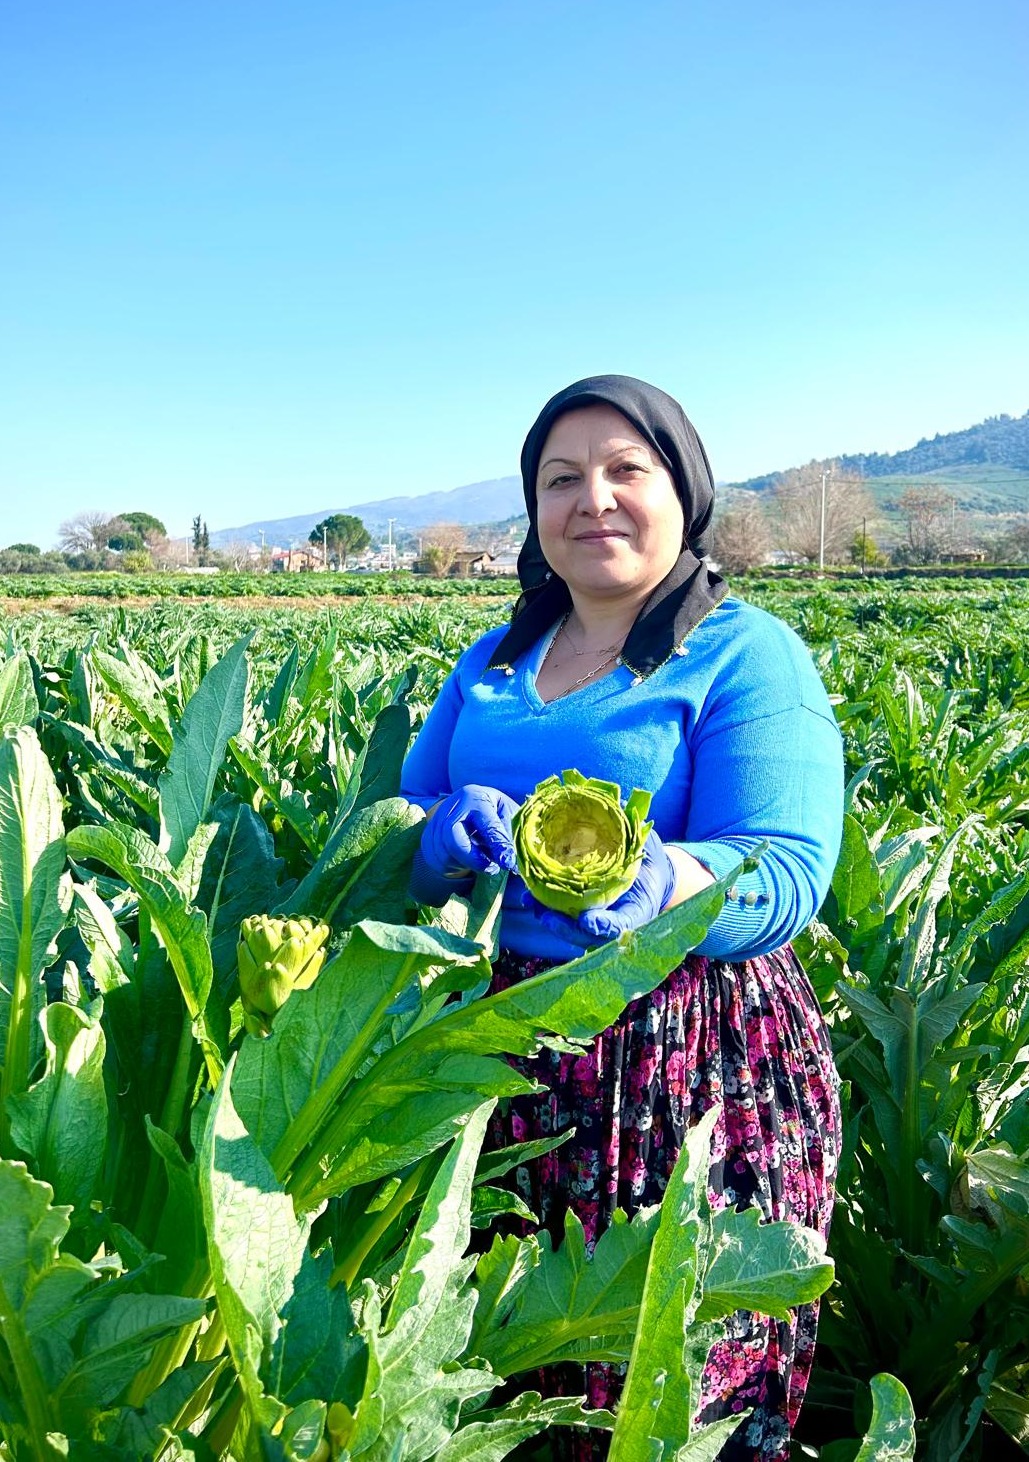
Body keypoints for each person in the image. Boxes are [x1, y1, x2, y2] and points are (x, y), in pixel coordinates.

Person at [401, 374, 844, 1462]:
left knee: (671, 1386)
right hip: (492, 1057)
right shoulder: (492, 661)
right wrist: (428, 838)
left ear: (682, 494)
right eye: (561, 480)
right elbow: (401, 810)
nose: (591, 498)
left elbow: (787, 868)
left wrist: (669, 889)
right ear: (535, 511)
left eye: (622, 471)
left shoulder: (749, 654)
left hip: (684, 1063)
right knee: (505, 1378)